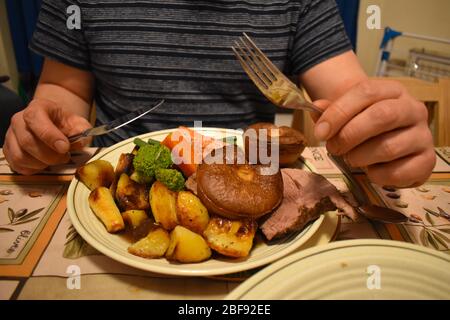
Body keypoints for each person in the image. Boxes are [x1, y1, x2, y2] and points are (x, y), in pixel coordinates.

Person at [3, 0, 435, 188]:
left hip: (255, 179)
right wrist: (44, 124)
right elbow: (61, 90)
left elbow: (349, 95)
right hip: (124, 180)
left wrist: (386, 134)